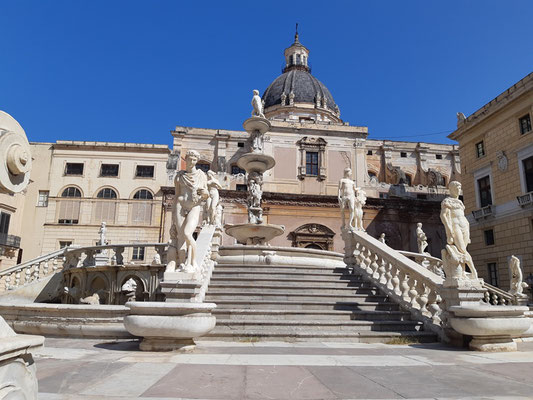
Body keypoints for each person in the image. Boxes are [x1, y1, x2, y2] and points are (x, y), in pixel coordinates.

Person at [166, 150, 208, 274]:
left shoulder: (201, 175)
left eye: (194, 160)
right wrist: (174, 211)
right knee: (180, 236)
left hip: (194, 206)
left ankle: (193, 261)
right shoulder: (179, 176)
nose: (191, 162)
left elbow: (206, 194)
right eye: (189, 159)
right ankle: (182, 264)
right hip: (180, 205)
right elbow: (177, 194)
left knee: (187, 233)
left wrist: (204, 193)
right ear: (186, 160)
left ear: (197, 161)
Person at [440, 181, 478, 279]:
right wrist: (449, 229)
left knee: (462, 251)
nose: (459, 190)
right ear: (451, 189)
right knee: (462, 249)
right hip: (455, 225)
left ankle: (463, 272)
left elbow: (462, 215)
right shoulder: (447, 201)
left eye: (460, 188)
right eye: (457, 188)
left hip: (464, 225)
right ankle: (473, 271)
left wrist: (468, 226)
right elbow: (443, 215)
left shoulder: (460, 202)